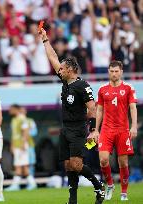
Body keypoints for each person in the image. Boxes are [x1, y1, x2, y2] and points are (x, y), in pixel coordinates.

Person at [39, 28, 105, 204]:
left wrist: (93, 130)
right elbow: (53, 58)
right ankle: (72, 200)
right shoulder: (65, 82)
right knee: (68, 166)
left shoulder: (83, 86)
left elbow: (93, 108)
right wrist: (45, 40)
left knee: (76, 164)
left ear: (70, 69)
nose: (59, 70)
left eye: (62, 68)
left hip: (78, 129)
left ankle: (99, 187)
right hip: (65, 128)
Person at [95, 60, 137, 201]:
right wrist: (96, 130)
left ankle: (124, 192)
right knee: (103, 159)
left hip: (123, 130)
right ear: (108, 72)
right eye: (112, 71)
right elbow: (99, 110)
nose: (114, 74)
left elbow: (133, 108)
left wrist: (134, 126)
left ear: (121, 72)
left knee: (123, 162)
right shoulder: (102, 89)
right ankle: (110, 185)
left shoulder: (129, 88)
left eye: (116, 71)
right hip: (106, 130)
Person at [5, 104, 36, 192]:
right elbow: (14, 134)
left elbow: (25, 132)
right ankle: (32, 184)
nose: (9, 111)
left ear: (16, 109)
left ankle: (15, 185)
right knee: (23, 166)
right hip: (16, 146)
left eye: (11, 109)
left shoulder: (22, 118)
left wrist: (23, 143)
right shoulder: (14, 120)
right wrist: (12, 145)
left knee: (19, 166)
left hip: (21, 146)